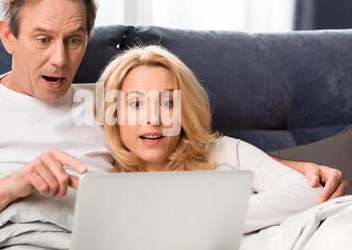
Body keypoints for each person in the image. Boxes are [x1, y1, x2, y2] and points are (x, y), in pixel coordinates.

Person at [0, 0, 346, 250]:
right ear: (7, 36)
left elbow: (188, 150)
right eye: (42, 39)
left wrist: (290, 167)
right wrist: (12, 186)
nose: (60, 59)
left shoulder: (116, 101)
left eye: (74, 40)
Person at [96, 44, 338, 233]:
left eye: (168, 102)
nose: (153, 119)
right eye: (136, 104)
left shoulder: (223, 151)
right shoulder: (99, 172)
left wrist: (199, 218)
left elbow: (308, 193)